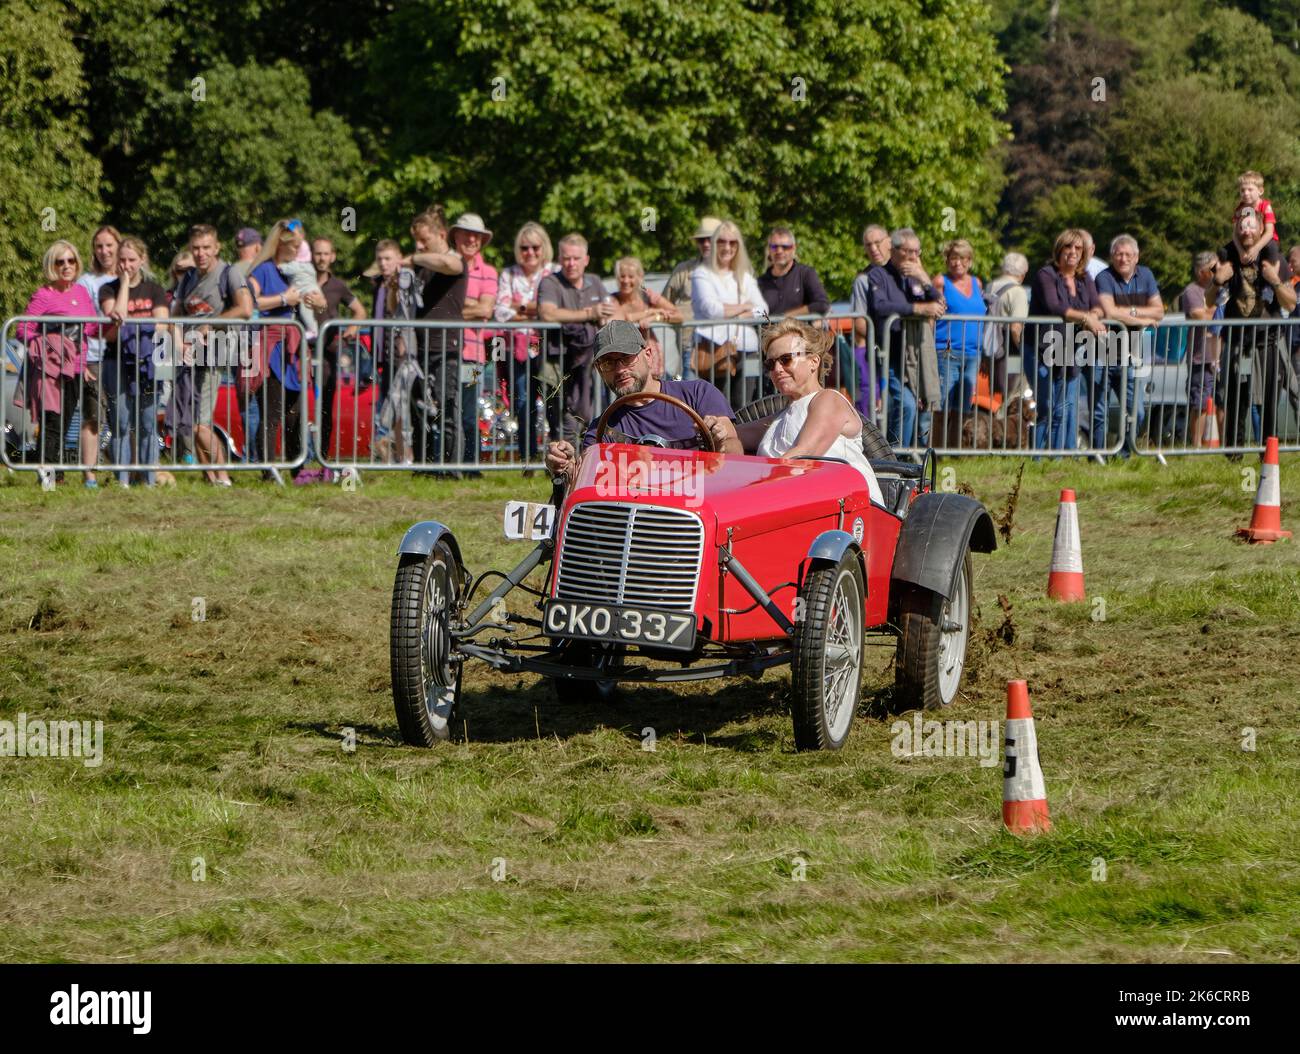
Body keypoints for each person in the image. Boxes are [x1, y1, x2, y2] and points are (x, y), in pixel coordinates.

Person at [543, 320, 740, 481]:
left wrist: (720, 443)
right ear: (599, 371)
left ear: (648, 355)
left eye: (627, 358)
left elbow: (736, 451)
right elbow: (590, 483)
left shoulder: (698, 394)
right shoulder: (602, 429)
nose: (620, 369)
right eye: (607, 363)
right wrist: (565, 467)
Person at [748, 319, 883, 505]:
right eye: (770, 364)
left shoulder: (828, 399)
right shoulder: (776, 419)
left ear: (813, 361)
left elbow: (804, 454)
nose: (777, 369)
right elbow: (732, 437)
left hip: (851, 510)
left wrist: (752, 490)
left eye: (786, 359)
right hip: (799, 505)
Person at [171, 223, 253, 486]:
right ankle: (210, 478)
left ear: (216, 247)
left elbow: (245, 309)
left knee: (200, 424)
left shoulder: (228, 274)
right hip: (189, 356)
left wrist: (211, 324)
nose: (201, 253)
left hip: (215, 355)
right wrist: (179, 341)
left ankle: (223, 477)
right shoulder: (188, 279)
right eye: (196, 248)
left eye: (206, 247)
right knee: (191, 423)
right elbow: (176, 315)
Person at [14, 240, 102, 484]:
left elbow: (92, 327)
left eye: (71, 260)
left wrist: (111, 321)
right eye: (60, 261)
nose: (66, 266)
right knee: (51, 422)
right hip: (50, 371)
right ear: (52, 265)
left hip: (75, 369)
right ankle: (48, 480)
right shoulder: (44, 295)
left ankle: (57, 475)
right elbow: (22, 329)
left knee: (63, 423)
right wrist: (47, 343)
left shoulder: (82, 293)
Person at [1209, 208, 1297, 447]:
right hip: (1237, 340)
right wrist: (1217, 280)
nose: (1246, 230)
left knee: (1269, 399)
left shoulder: (1273, 258)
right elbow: (1208, 301)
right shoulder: (1228, 256)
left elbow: (1290, 302)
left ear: (1261, 229)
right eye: (1241, 225)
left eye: (1251, 226)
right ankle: (1233, 453)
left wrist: (1275, 280)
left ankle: (1268, 451)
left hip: (1267, 340)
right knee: (1235, 399)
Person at [246, 220, 327, 474]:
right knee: (272, 413)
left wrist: (318, 303)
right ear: (280, 245)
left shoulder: (298, 271)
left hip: (294, 348)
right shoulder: (263, 271)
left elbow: (320, 303)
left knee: (296, 413)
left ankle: (298, 469)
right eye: (293, 245)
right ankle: (269, 471)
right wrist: (283, 299)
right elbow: (251, 302)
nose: (297, 249)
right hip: (270, 347)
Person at [864, 228, 944, 448]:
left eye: (917, 251)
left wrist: (925, 279)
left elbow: (940, 306)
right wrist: (917, 308)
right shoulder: (878, 275)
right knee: (905, 405)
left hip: (916, 355)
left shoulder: (915, 277)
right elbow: (881, 306)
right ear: (894, 250)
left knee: (910, 407)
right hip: (890, 354)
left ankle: (901, 455)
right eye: (908, 251)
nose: (913, 257)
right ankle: (897, 457)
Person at [98, 236, 169, 486]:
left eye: (132, 260)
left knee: (148, 422)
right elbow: (117, 319)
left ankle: (148, 480)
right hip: (115, 360)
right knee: (120, 421)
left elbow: (162, 324)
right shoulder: (108, 289)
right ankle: (123, 481)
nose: (126, 264)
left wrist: (132, 326)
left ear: (142, 260)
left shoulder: (155, 289)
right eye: (122, 260)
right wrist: (125, 284)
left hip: (148, 362)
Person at [1027, 229, 1105, 451]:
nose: (1072, 252)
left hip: (1070, 349)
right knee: (1048, 405)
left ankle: (1058, 457)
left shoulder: (1084, 277)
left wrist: (1093, 316)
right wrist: (1086, 319)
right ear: (1059, 250)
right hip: (1041, 348)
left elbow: (1098, 305)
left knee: (1063, 407)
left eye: (1078, 248)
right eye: (1068, 247)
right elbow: (1056, 306)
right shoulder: (1046, 274)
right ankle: (1038, 458)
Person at [494, 221, 559, 467]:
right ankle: (528, 458)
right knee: (523, 402)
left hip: (550, 349)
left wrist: (519, 307)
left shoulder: (555, 271)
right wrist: (536, 309)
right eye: (524, 248)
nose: (529, 253)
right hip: (517, 349)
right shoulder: (509, 274)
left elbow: (553, 309)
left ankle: (557, 457)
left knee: (554, 401)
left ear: (544, 248)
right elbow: (499, 311)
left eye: (535, 247)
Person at [537, 233, 612, 443]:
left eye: (576, 258)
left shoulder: (595, 282)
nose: (571, 263)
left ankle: (583, 464)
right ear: (559, 259)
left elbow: (609, 313)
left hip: (589, 363)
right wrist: (590, 314)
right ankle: (562, 467)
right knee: (560, 416)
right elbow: (548, 313)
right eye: (566, 258)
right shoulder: (550, 283)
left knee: (586, 414)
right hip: (556, 360)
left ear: (586, 260)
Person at [409, 206, 468, 467]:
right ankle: (426, 465)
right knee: (421, 408)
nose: (420, 246)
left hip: (447, 345)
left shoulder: (455, 260)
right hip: (421, 345)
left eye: (424, 240)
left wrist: (413, 258)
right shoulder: (424, 268)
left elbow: (449, 264)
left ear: (441, 234)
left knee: (447, 407)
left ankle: (450, 467)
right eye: (416, 242)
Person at [1094, 234, 1163, 454]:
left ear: (1136, 257)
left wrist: (1129, 311)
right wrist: (1142, 320)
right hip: (1102, 353)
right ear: (1112, 256)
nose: (1123, 258)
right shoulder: (1104, 277)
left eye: (1127, 254)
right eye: (1118, 254)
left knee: (1138, 411)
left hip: (1131, 355)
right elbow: (1109, 312)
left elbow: (1159, 311)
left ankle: (1122, 453)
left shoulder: (1147, 275)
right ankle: (1097, 456)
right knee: (1099, 410)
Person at [690, 221, 767, 407]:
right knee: (716, 408)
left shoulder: (745, 276)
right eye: (722, 241)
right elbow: (711, 309)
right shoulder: (701, 274)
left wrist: (732, 312)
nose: (727, 247)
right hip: (713, 349)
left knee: (744, 407)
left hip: (747, 349)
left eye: (733, 243)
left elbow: (763, 310)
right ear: (715, 243)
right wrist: (743, 307)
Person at [306, 236, 365, 473]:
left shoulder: (338, 285)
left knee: (325, 407)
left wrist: (352, 328)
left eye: (325, 254)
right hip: (302, 352)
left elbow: (360, 311)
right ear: (311, 255)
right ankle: (300, 459)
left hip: (328, 353)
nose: (321, 258)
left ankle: (323, 458)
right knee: (298, 406)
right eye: (317, 253)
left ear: (333, 257)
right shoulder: (302, 282)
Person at [449, 212, 499, 471]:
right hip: (444, 350)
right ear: (455, 236)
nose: (471, 239)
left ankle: (470, 466)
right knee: (446, 411)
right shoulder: (445, 266)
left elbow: (485, 310)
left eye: (476, 235)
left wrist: (454, 306)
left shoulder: (489, 271)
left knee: (469, 413)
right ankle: (447, 465)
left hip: (473, 353)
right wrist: (470, 305)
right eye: (466, 233)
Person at [75, 225, 122, 487]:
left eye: (109, 245)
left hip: (123, 356)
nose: (104, 251)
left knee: (122, 417)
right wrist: (81, 361)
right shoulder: (86, 282)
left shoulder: (131, 278)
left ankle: (125, 472)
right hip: (94, 356)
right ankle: (90, 475)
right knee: (94, 417)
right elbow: (79, 325)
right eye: (99, 246)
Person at [372, 238, 425, 464]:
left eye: (388, 259)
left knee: (401, 405)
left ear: (398, 259)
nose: (383, 264)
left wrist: (406, 338)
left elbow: (408, 313)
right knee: (392, 404)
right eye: (380, 259)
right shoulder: (379, 285)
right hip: (385, 353)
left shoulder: (404, 281)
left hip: (403, 352)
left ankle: (406, 454)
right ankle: (397, 453)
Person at [933, 239, 986, 413]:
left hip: (973, 354)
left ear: (970, 261)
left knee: (964, 407)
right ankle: (940, 440)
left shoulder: (977, 283)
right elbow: (932, 315)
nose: (958, 263)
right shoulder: (941, 282)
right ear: (947, 261)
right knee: (944, 406)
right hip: (947, 353)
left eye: (963, 258)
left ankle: (957, 441)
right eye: (953, 258)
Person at [848, 224, 892, 417]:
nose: (873, 248)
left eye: (877, 243)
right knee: (872, 406)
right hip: (871, 352)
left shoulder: (904, 274)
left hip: (899, 353)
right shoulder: (863, 280)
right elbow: (859, 321)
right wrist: (889, 336)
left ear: (889, 242)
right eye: (868, 245)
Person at [1181, 251, 1220, 446]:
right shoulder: (1192, 291)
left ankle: (1225, 445)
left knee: (1221, 400)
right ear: (1201, 271)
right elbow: (1200, 316)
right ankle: (1196, 445)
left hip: (1219, 353)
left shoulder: (1221, 290)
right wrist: (1217, 311)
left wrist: (1214, 311)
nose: (1218, 271)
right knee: (1200, 402)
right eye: (1214, 267)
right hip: (1201, 356)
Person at [983, 252, 1030, 400]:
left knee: (996, 396)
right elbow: (1016, 328)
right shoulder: (1018, 292)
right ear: (1023, 273)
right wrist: (1027, 353)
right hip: (1010, 353)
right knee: (1013, 397)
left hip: (990, 349)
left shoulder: (990, 286)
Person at [757, 226, 830, 319]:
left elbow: (822, 304)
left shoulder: (805, 274)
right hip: (769, 332)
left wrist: (786, 317)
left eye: (785, 247)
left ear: (793, 248)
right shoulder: (760, 282)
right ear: (769, 250)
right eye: (774, 247)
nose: (779, 251)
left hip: (799, 332)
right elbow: (755, 312)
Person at [663, 216, 720, 314]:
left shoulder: (736, 272)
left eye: (710, 239)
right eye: (701, 240)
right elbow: (663, 303)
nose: (706, 244)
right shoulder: (683, 270)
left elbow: (753, 309)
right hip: (688, 329)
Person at [1233, 171, 1278, 262]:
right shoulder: (1239, 210)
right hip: (1245, 239)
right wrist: (1241, 252)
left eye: (1250, 190)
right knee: (1224, 252)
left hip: (1264, 240)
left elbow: (1269, 232)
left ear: (1260, 191)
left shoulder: (1265, 207)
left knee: (1271, 248)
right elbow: (1235, 234)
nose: (1245, 193)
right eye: (1242, 190)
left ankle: (1273, 270)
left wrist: (1256, 248)